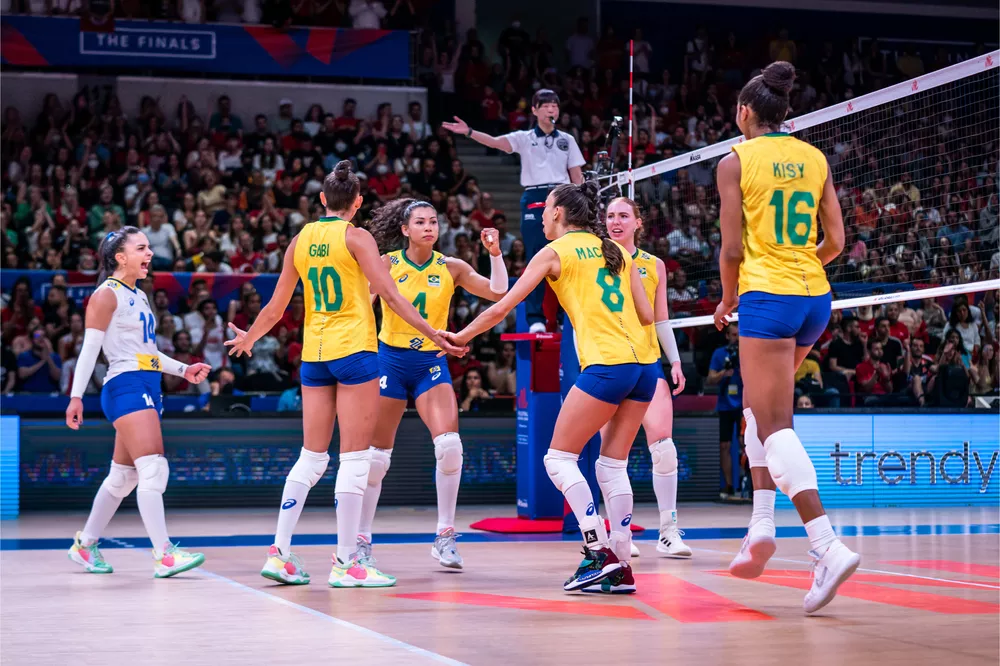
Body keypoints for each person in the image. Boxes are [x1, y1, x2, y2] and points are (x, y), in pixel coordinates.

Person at [225, 161, 465, 589]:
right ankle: (346, 562)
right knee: (354, 459)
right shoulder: (358, 237)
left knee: (311, 457)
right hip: (354, 352)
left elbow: (277, 307)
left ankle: (279, 552)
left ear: (321, 199)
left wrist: (250, 337)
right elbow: (390, 294)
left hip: (314, 355)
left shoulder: (300, 239)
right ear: (357, 203)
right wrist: (433, 332)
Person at [442, 181, 656, 593]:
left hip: (607, 365)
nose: (540, 215)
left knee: (558, 459)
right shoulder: (616, 251)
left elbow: (504, 306)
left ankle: (598, 552)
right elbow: (646, 314)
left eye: (545, 209)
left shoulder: (556, 251)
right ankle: (622, 564)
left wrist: (461, 336)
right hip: (643, 366)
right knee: (610, 466)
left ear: (558, 213)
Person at [713, 61, 858, 615]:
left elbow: (731, 249)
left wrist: (730, 300)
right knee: (758, 407)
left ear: (745, 112)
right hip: (815, 298)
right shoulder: (815, 157)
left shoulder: (735, 161)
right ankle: (761, 524)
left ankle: (825, 544)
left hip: (768, 300)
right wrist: (800, 268)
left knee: (774, 424)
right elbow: (837, 240)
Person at [358, 197, 508, 571]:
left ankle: (444, 536)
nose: (429, 227)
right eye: (421, 222)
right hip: (390, 358)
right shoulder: (387, 264)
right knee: (375, 460)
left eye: (434, 222)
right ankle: (360, 540)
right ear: (405, 230)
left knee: (451, 447)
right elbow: (361, 306)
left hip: (431, 362)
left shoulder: (451, 267)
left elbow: (499, 292)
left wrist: (495, 254)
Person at [65, 227, 210, 578]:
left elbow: (147, 352)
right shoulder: (105, 295)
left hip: (146, 382)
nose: (149, 254)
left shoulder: (139, 295)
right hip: (125, 385)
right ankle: (164, 554)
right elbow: (89, 349)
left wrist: (183, 370)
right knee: (154, 469)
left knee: (122, 478)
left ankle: (85, 545)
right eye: (141, 248)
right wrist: (76, 396)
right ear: (120, 257)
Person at [442, 89, 585, 333]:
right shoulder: (523, 137)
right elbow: (496, 143)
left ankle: (566, 316)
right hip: (534, 195)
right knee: (535, 256)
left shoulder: (568, 140)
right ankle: (534, 318)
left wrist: (582, 204)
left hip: (563, 196)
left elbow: (577, 176)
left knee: (567, 257)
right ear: (534, 110)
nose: (552, 109)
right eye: (546, 105)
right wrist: (468, 132)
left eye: (555, 106)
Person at [601, 197, 691, 562]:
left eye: (623, 215)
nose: (616, 221)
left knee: (664, 449)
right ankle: (618, 533)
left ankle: (668, 532)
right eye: (609, 216)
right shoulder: (595, 260)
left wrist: (675, 361)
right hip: (606, 364)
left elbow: (660, 318)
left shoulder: (654, 265)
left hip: (647, 364)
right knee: (612, 457)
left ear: (638, 222)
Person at [706, 322, 742, 498]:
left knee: (746, 444)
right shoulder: (719, 354)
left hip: (744, 405)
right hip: (725, 405)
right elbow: (710, 379)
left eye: (739, 335)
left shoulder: (748, 353)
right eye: (734, 335)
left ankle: (748, 486)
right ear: (727, 336)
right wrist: (724, 373)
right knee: (724, 445)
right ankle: (728, 486)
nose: (737, 339)